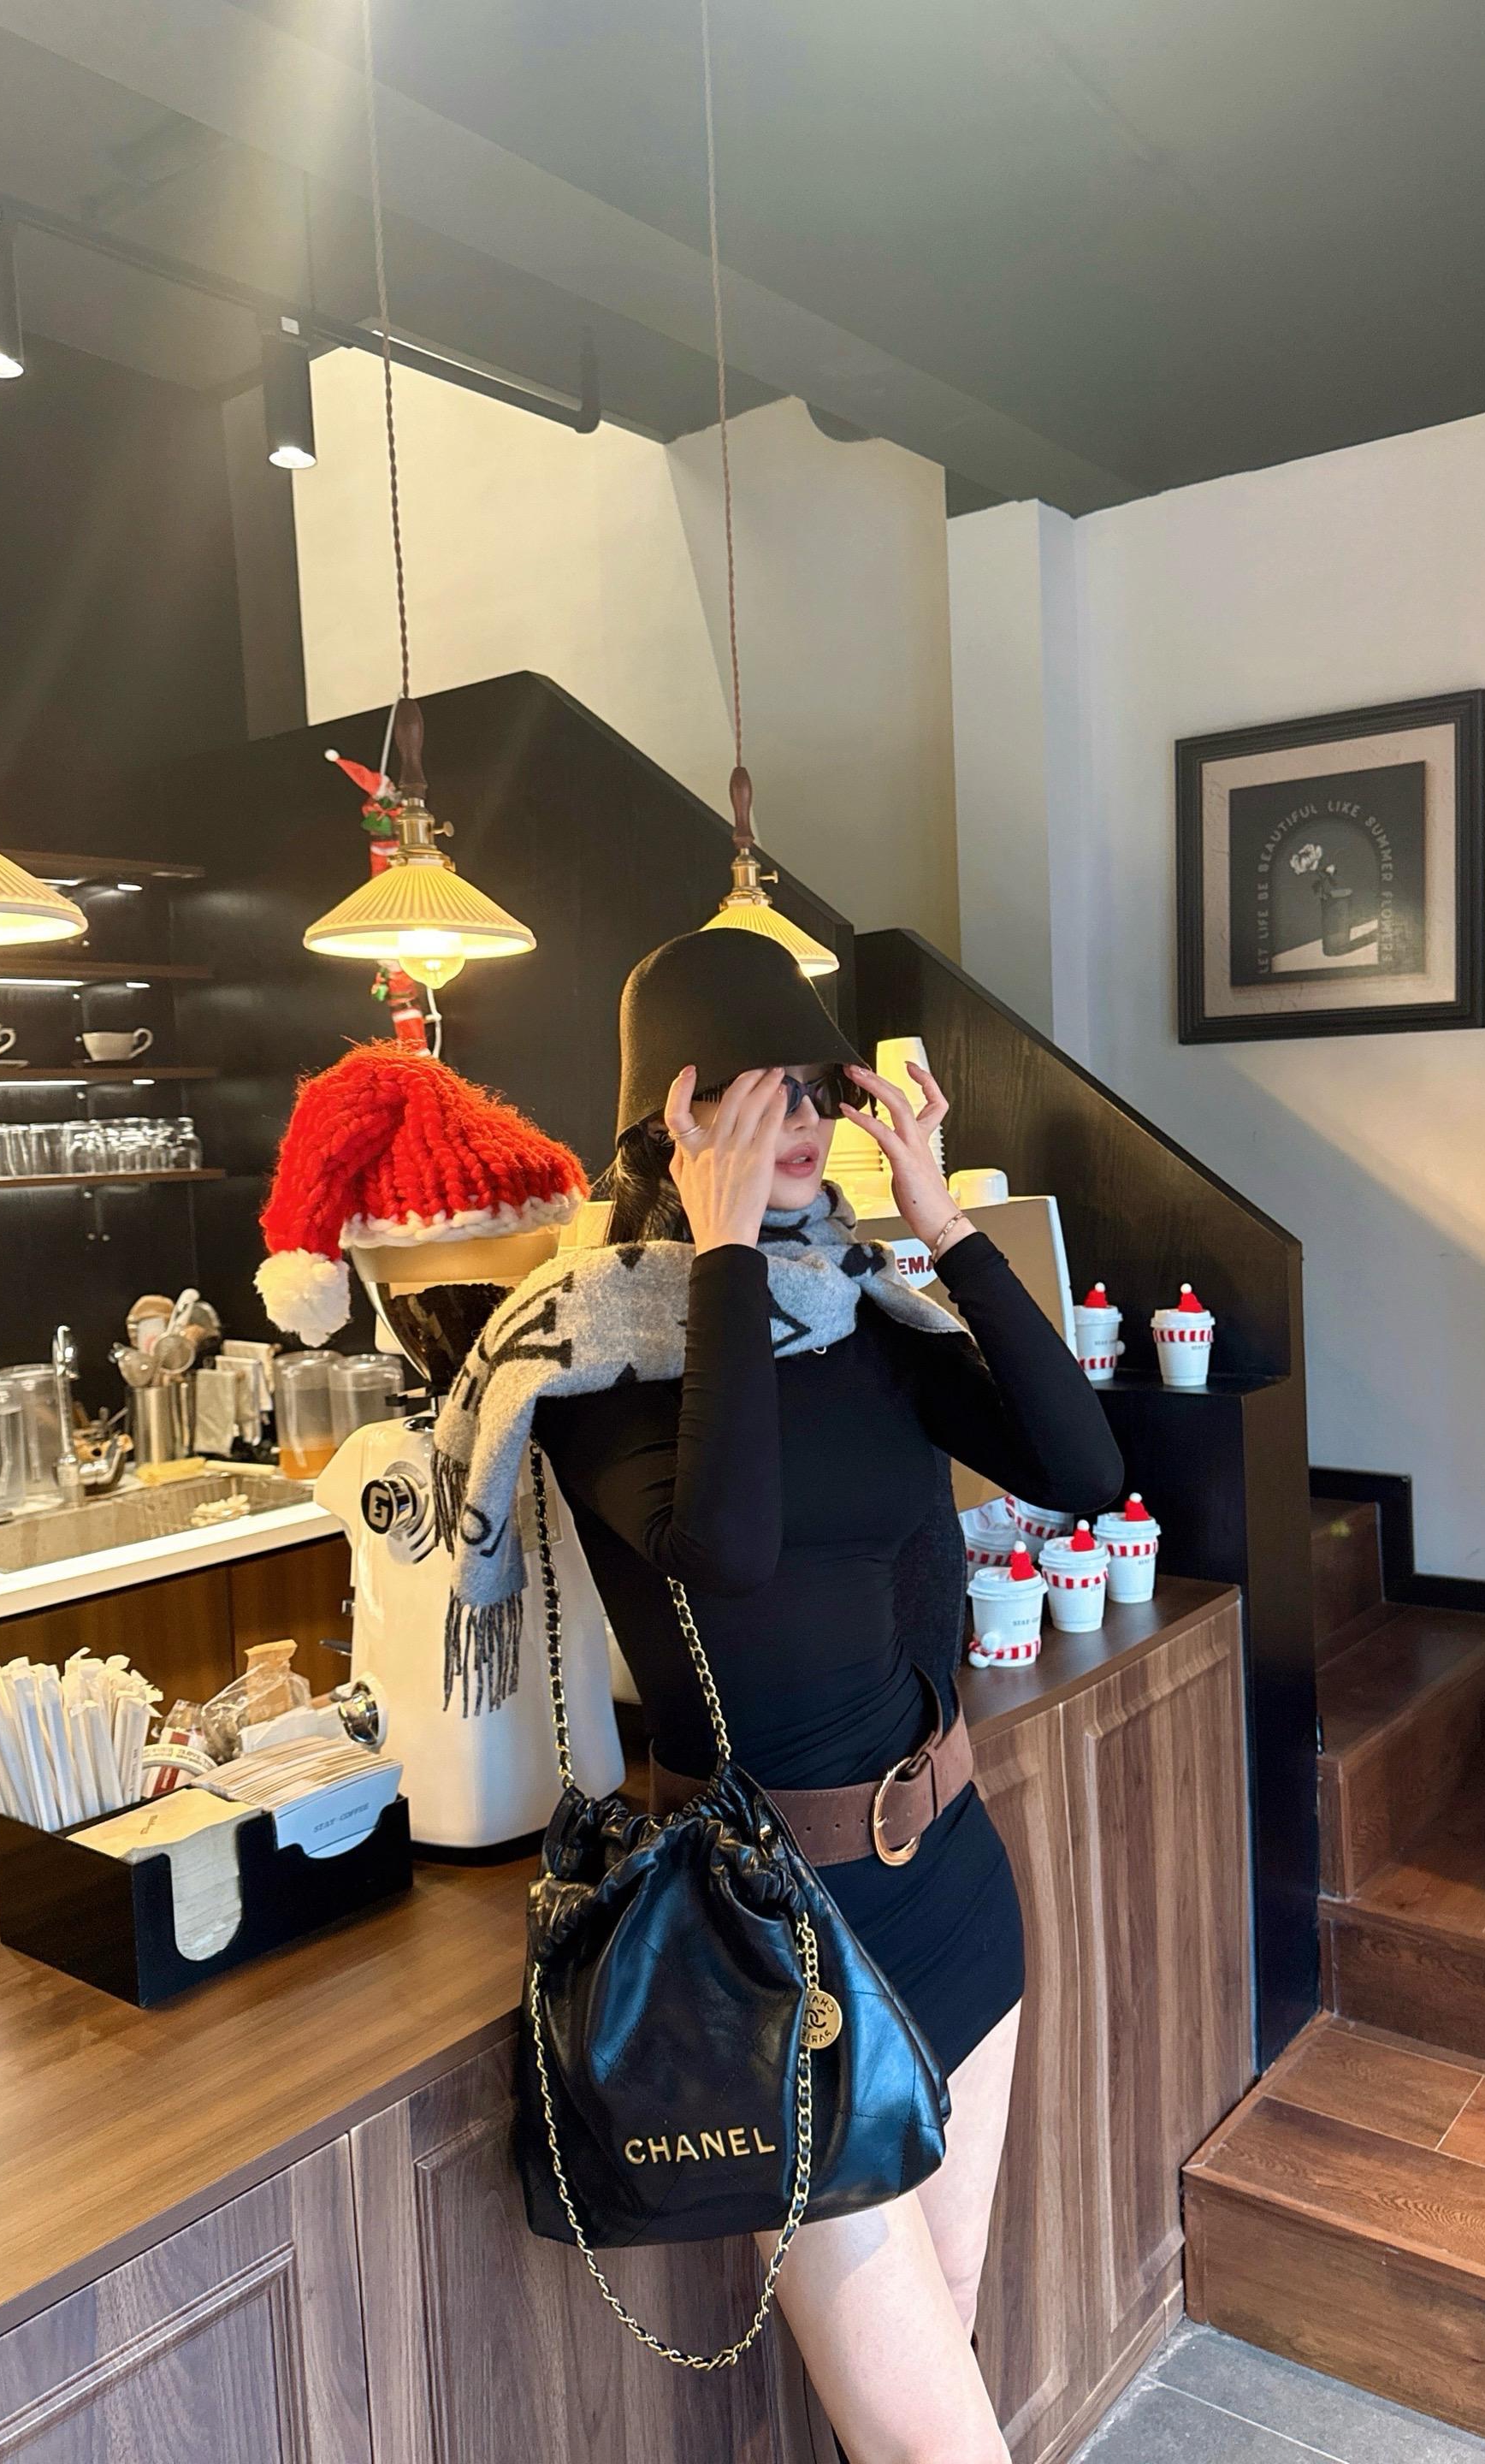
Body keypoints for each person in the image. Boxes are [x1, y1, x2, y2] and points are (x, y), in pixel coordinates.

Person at [535, 931, 1122, 2463]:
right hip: (774, 1944)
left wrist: (945, 1229)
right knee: (937, 2443)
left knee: (951, 2328)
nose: (798, 1121)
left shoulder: (863, 1310)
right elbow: (724, 1550)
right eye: (755, 1092)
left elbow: (1083, 1468)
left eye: (812, 1089)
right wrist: (723, 1252)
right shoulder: (593, 1352)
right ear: (672, 1117)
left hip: (953, 1879)